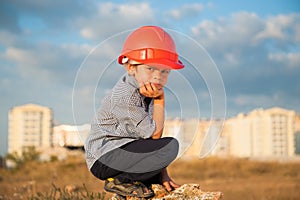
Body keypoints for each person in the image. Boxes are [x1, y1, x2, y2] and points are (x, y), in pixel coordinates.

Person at [84, 25, 185, 199]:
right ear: (131, 67)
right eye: (150, 68)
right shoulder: (126, 95)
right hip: (104, 157)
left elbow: (150, 142)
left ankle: (132, 186)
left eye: (165, 71)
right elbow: (154, 135)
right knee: (170, 146)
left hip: (124, 152)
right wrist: (160, 99)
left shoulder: (146, 91)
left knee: (161, 153)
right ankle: (121, 181)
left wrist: (162, 174)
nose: (157, 76)